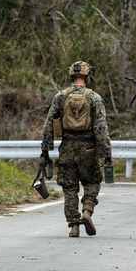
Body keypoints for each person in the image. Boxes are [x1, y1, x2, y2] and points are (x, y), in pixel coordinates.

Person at [40, 61, 112, 237]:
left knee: (70, 188)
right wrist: (106, 154)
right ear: (87, 77)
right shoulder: (94, 97)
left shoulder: (61, 97)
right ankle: (87, 210)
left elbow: (49, 124)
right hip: (89, 148)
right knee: (93, 182)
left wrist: (46, 150)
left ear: (71, 76)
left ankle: (74, 225)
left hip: (67, 148)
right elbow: (101, 129)